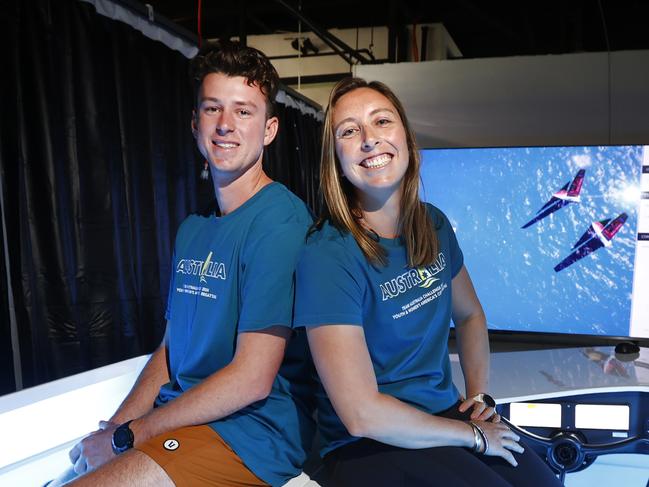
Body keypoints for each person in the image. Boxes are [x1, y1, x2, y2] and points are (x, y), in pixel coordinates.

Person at [53, 40, 316, 487]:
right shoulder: (193, 228)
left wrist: (128, 439)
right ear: (195, 124)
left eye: (244, 111)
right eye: (213, 109)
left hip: (251, 433)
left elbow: (252, 379)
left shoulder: (281, 221)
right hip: (183, 419)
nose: (226, 126)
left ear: (269, 129)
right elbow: (170, 351)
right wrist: (114, 429)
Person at [294, 77, 562, 486]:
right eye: (349, 131)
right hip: (365, 443)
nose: (369, 139)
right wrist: (474, 436)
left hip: (441, 417)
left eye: (381, 121)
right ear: (335, 158)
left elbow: (471, 316)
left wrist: (478, 398)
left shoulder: (432, 223)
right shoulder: (327, 253)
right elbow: (361, 414)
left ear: (404, 134)